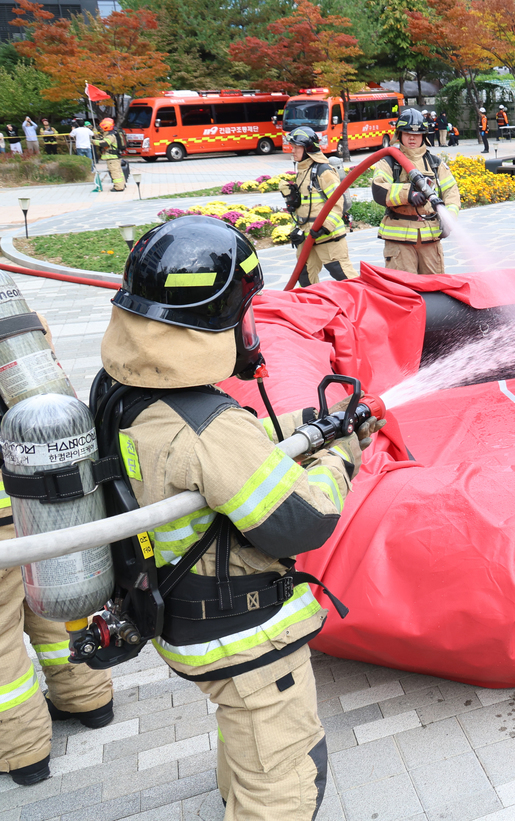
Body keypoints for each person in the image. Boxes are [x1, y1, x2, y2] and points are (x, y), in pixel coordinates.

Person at [97, 215, 375, 819]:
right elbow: (302, 519)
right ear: (219, 318)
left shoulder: (122, 389)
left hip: (183, 614)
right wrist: (341, 453)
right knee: (285, 774)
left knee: (246, 734)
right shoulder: (207, 426)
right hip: (243, 632)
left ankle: (234, 792)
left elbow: (223, 463)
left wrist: (307, 426)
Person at [0, 322, 116, 786]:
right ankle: (88, 700)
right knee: (50, 603)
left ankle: (24, 750)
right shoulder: (13, 318)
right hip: (31, 503)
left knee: (2, 642)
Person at [371, 108, 461, 276]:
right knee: (403, 291)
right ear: (399, 134)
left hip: (430, 238)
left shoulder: (434, 163)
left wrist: (450, 218)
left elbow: (452, 193)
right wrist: (408, 194)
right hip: (399, 240)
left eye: (417, 134)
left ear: (424, 135)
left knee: (436, 288)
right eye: (407, 133)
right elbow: (378, 189)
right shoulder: (389, 162)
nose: (412, 137)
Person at [280, 126, 352, 286]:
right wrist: (296, 230)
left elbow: (337, 201)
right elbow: (304, 209)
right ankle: (315, 308)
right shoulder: (303, 171)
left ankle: (364, 304)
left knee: (343, 274)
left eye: (296, 147)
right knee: (305, 278)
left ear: (308, 149)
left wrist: (325, 227)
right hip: (307, 238)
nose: (293, 151)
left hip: (329, 237)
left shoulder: (323, 171)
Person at [94, 118, 124, 192]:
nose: (100, 129)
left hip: (112, 158)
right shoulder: (112, 134)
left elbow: (105, 143)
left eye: (101, 128)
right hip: (115, 157)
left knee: (115, 172)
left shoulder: (110, 136)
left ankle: (118, 187)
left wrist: (93, 141)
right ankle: (121, 184)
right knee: (119, 172)